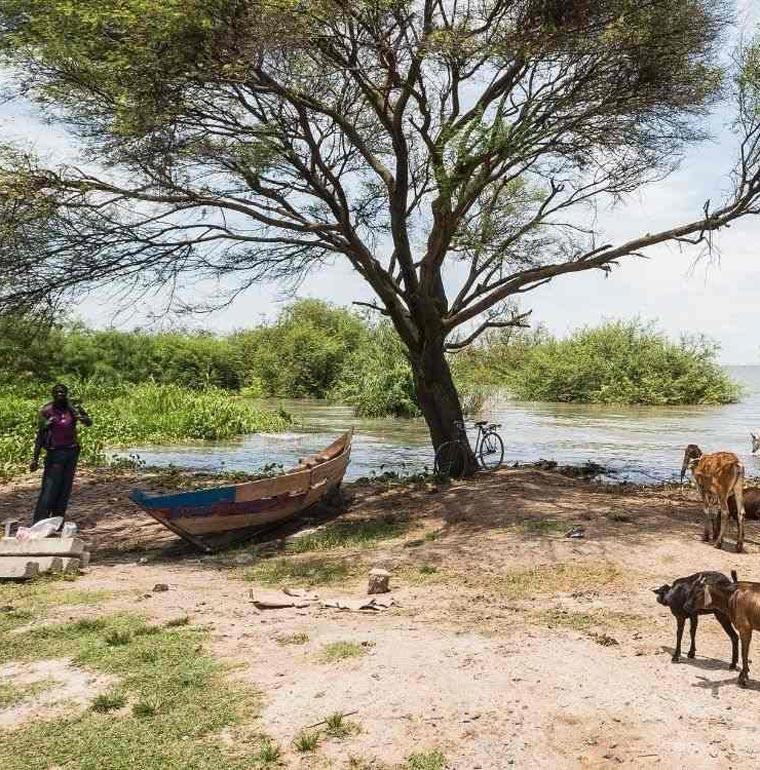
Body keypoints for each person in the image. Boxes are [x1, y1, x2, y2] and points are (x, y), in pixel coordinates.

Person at [30, 383, 92, 523]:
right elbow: (40, 435)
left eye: (63, 392)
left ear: (66, 393)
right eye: (57, 392)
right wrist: (35, 458)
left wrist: (83, 418)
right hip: (55, 454)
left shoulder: (72, 409)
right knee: (50, 488)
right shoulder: (46, 411)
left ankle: (57, 520)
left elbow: (89, 422)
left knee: (65, 488)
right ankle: (40, 521)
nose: (60, 394)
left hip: (71, 452)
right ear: (53, 394)